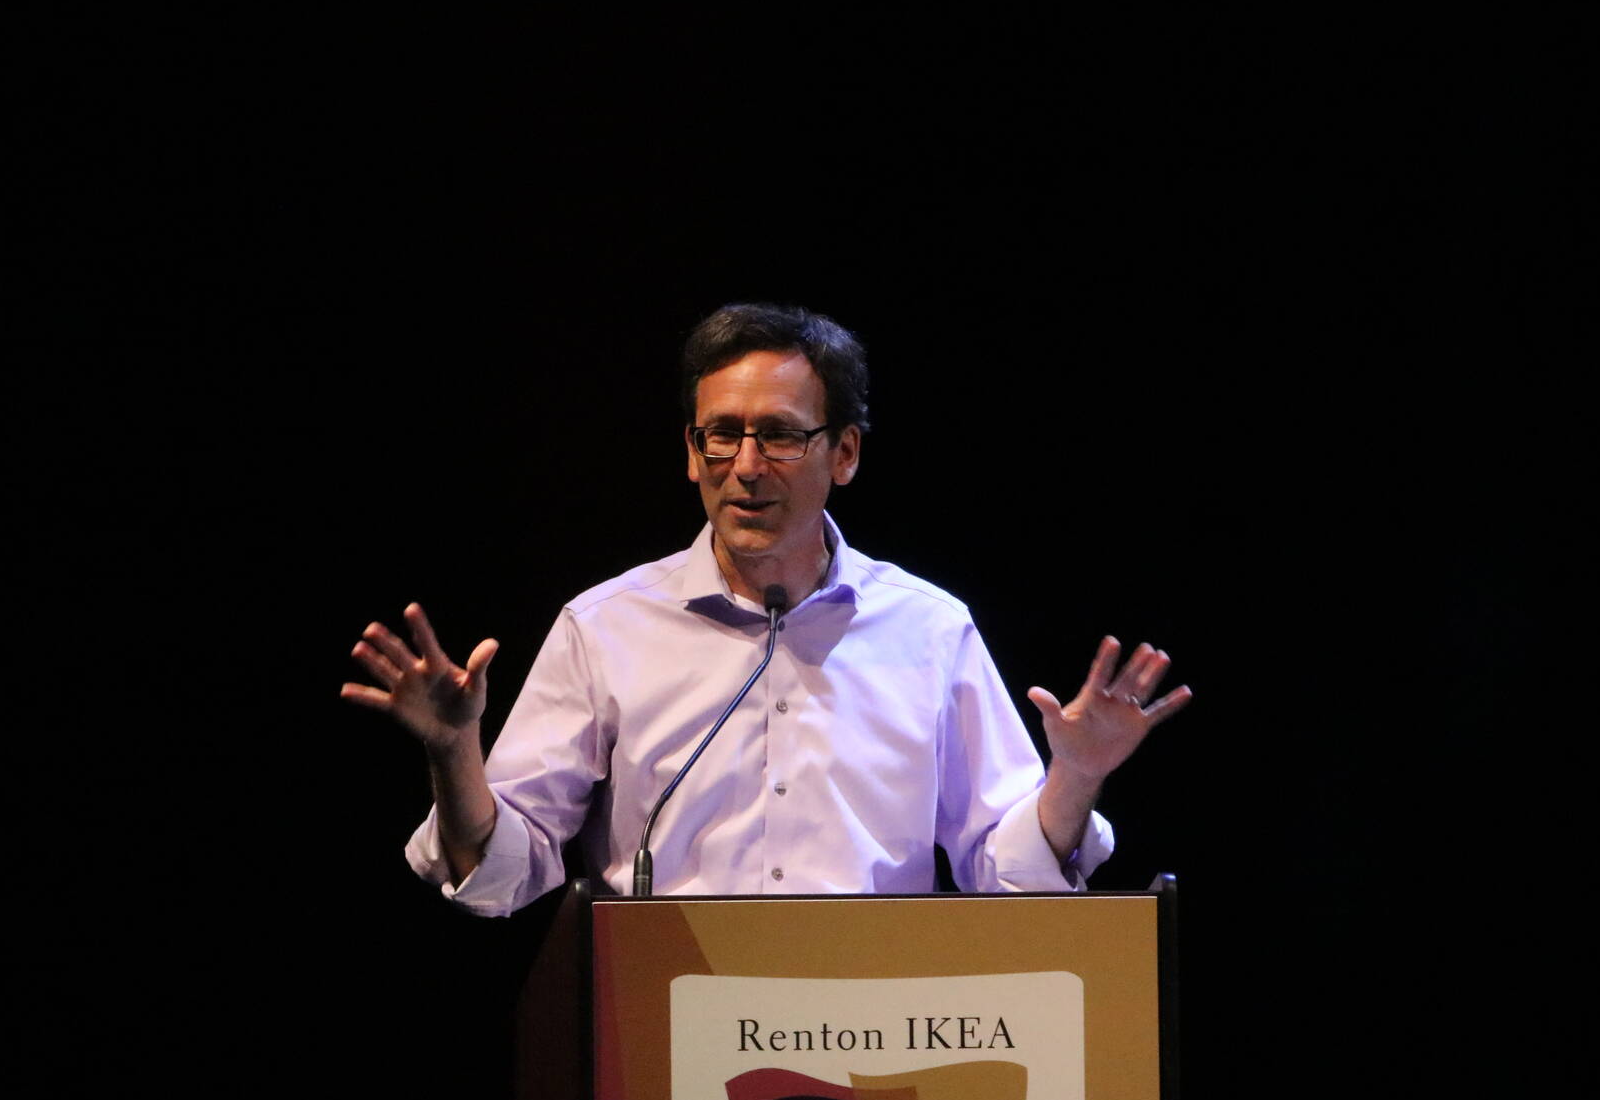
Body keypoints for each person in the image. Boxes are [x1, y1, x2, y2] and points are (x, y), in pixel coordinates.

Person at [340, 303, 1190, 914]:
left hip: (880, 1027)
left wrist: (1076, 776)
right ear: (690, 450)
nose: (746, 465)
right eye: (722, 433)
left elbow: (1010, 877)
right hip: (663, 1035)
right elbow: (501, 879)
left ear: (844, 452)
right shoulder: (606, 627)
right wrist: (456, 756)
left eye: (780, 435)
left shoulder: (929, 630)